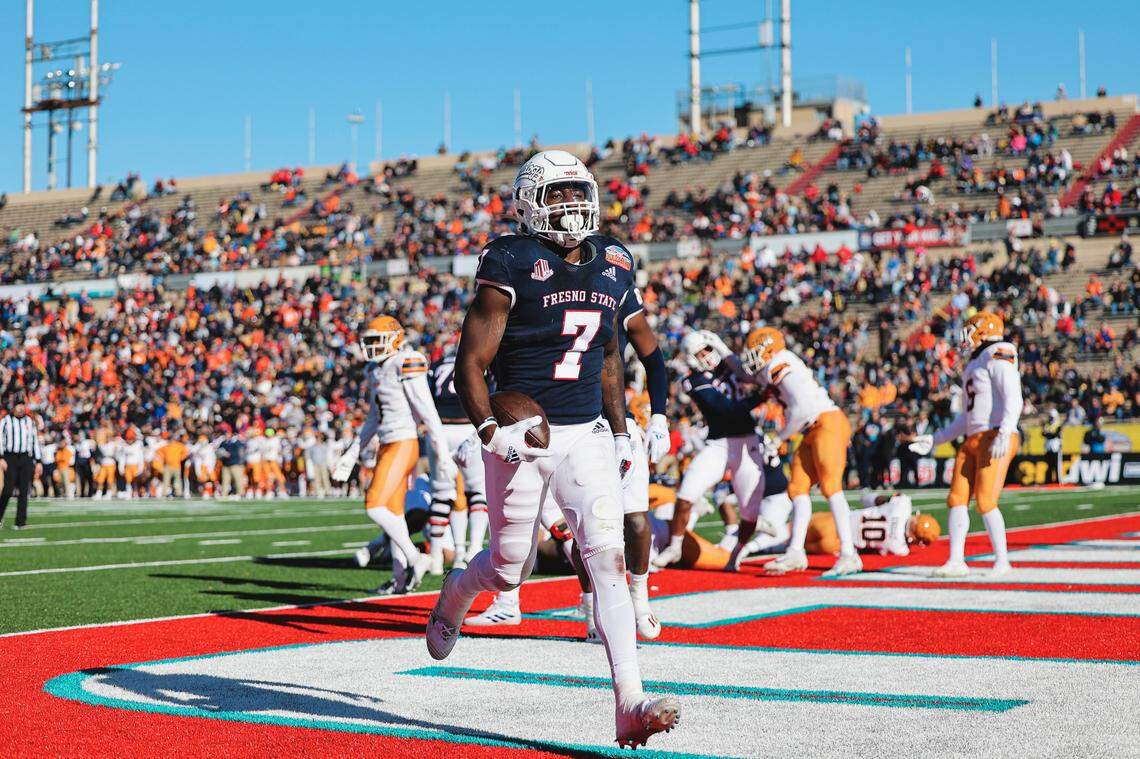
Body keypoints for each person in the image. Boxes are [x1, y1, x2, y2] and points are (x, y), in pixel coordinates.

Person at [426, 150, 680, 748]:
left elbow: (611, 358)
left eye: (576, 193)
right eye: (556, 195)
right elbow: (472, 362)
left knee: (607, 559)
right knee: (509, 568)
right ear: (528, 202)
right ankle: (453, 600)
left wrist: (620, 432)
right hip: (521, 433)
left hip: (585, 431)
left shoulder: (613, 261)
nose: (569, 206)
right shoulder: (511, 259)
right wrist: (491, 431)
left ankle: (630, 704)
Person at [332, 315, 457, 595]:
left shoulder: (407, 361)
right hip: (387, 444)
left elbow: (427, 411)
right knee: (394, 514)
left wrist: (442, 454)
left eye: (377, 341)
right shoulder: (376, 371)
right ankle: (400, 580)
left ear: (394, 339)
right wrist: (352, 454)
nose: (372, 347)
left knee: (374, 505)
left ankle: (416, 559)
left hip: (403, 442)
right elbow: (373, 420)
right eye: (369, 342)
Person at [736, 327, 863, 577]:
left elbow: (802, 409)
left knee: (830, 487)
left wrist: (778, 439)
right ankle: (796, 551)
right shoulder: (771, 368)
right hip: (810, 429)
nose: (751, 357)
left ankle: (850, 554)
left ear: (768, 347)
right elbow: (744, 374)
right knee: (797, 489)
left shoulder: (781, 364)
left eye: (755, 351)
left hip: (825, 421)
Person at [908, 311, 1022, 578]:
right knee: (957, 498)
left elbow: (1013, 394)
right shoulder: (975, 363)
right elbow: (968, 417)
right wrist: (935, 438)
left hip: (994, 435)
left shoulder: (998, 351)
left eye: (970, 328)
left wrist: (1005, 430)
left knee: (985, 500)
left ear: (982, 329)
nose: (965, 334)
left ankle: (1002, 561)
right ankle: (957, 560)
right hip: (974, 437)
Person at [653, 330, 764, 570]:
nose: (707, 355)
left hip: (748, 443)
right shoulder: (692, 380)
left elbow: (752, 373)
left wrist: (724, 349)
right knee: (686, 493)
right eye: (701, 352)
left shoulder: (729, 365)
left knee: (750, 511)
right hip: (719, 444)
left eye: (709, 349)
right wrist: (760, 397)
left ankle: (738, 551)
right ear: (691, 357)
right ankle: (674, 546)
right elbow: (726, 409)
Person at [427, 347, 489, 573]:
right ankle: (472, 550)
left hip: (440, 429)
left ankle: (434, 557)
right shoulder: (478, 359)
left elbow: (427, 399)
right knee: (477, 492)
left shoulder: (437, 365)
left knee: (441, 494)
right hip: (466, 427)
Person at [804, 491, 940, 556]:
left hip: (834, 523)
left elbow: (870, 499)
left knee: (791, 535)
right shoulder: (899, 548)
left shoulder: (902, 504)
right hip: (836, 545)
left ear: (917, 518)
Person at [0, 399, 43, 528]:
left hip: (25, 458)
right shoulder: (5, 421)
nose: (21, 408)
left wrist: (38, 461)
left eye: (22, 406)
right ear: (13, 407)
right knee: (7, 490)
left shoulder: (29, 421)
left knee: (24, 491)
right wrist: (1, 457)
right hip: (10, 457)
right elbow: (0, 439)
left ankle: (20, 522)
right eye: (18, 406)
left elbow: (34, 441)